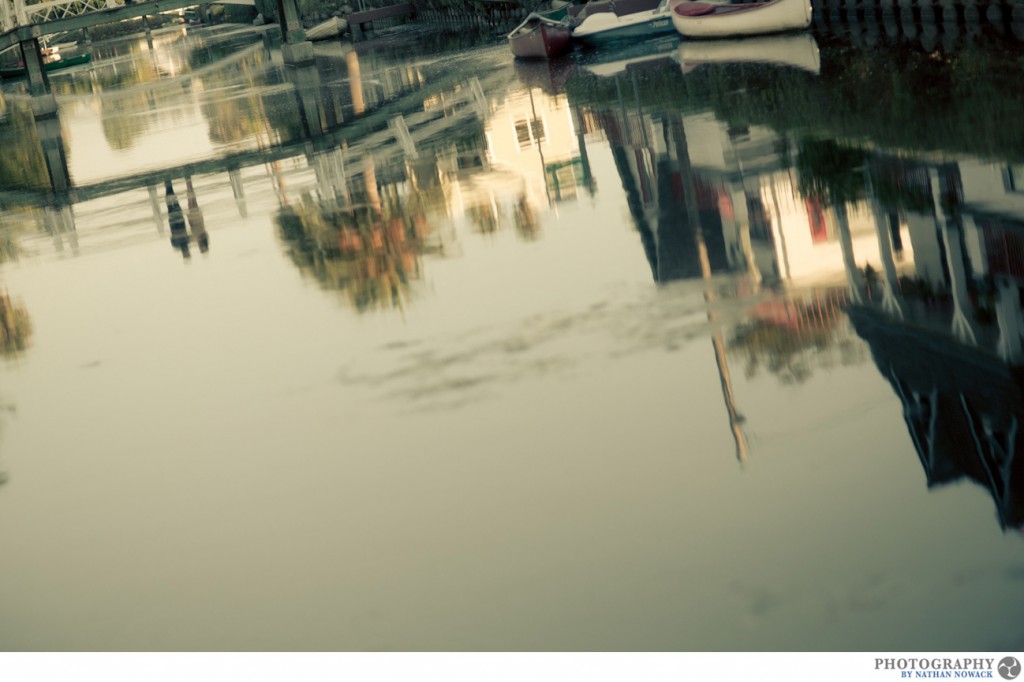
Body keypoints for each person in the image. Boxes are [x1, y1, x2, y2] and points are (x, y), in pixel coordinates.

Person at [165, 180, 190, 260]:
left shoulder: (184, 241)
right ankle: (168, 187)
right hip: (174, 221)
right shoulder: (176, 244)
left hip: (178, 219)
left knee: (175, 203)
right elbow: (171, 238)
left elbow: (187, 232)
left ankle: (169, 187)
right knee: (170, 205)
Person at [184, 176, 209, 253]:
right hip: (193, 220)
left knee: (193, 200)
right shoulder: (198, 238)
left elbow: (202, 226)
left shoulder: (204, 235)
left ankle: (189, 183)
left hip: (198, 218)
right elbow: (190, 234)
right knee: (190, 201)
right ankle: (188, 183)